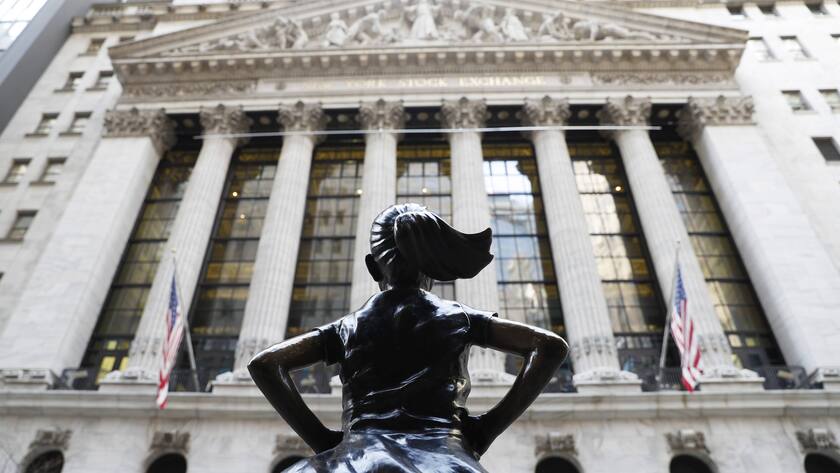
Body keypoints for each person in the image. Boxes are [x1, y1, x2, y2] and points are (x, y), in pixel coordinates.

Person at [249, 203, 568, 472]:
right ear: (431, 266)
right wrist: (486, 430)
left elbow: (266, 364)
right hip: (444, 458)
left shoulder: (347, 327)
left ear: (373, 268)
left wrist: (323, 442)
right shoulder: (461, 318)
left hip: (357, 458)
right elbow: (549, 346)